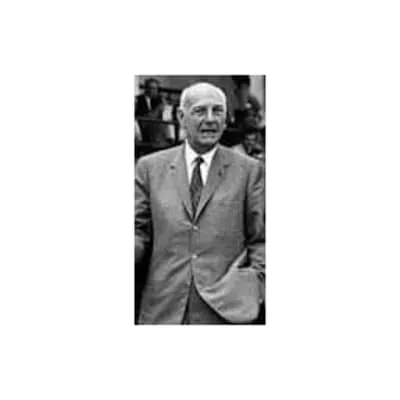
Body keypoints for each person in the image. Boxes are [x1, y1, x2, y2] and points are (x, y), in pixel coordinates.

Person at [135, 82, 265, 325]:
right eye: (200, 111)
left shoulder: (249, 170)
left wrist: (255, 286)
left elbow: (261, 239)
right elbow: (137, 231)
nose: (210, 119)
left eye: (217, 111)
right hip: (162, 310)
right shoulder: (149, 168)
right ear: (181, 117)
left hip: (224, 312)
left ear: (225, 119)